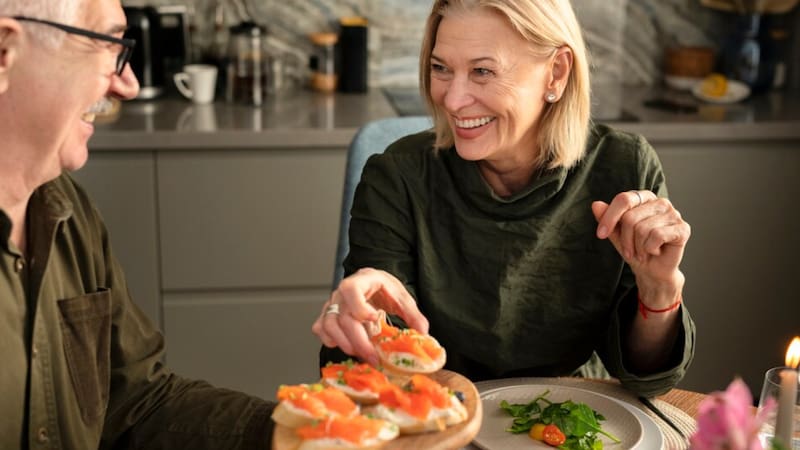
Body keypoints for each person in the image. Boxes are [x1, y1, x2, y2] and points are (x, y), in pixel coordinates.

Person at [313, 0, 696, 398]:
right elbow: (369, 375)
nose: (453, 99)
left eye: (482, 71)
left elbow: (647, 376)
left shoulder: (625, 167)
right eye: (441, 68)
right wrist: (359, 322)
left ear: (556, 73)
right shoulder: (396, 177)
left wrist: (659, 289)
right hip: (444, 413)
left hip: (575, 414)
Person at [0, 1, 276, 448]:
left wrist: (306, 431)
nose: (127, 84)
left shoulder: (69, 211)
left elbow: (135, 404)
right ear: (4, 52)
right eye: (107, 45)